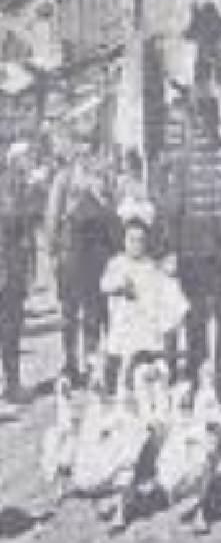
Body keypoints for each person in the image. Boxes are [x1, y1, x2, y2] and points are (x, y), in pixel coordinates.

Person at [167, 95, 221, 402]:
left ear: (217, 122)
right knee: (194, 321)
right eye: (196, 124)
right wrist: (169, 251)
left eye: (206, 122)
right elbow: (173, 211)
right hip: (190, 255)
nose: (201, 129)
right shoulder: (181, 161)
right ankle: (195, 380)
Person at [46, 131, 115, 385]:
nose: (86, 155)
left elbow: (112, 216)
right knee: (70, 311)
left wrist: (101, 196)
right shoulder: (63, 179)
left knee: (95, 309)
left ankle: (92, 361)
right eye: (82, 150)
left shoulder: (103, 179)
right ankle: (70, 362)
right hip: (71, 252)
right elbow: (52, 216)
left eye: (90, 150)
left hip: (96, 254)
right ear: (75, 151)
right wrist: (52, 251)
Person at [100, 207, 189, 396]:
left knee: (148, 364)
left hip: (145, 329)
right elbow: (105, 285)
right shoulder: (117, 263)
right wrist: (120, 286)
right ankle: (115, 385)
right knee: (116, 363)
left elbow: (169, 293)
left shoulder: (151, 266)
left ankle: (151, 382)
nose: (135, 245)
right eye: (131, 240)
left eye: (140, 241)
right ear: (123, 241)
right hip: (122, 328)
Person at [0, 151, 32, 404]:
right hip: (7, 272)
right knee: (10, 327)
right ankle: (11, 385)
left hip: (13, 271)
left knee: (12, 328)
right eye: (25, 158)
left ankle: (12, 383)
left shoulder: (17, 188)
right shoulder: (9, 191)